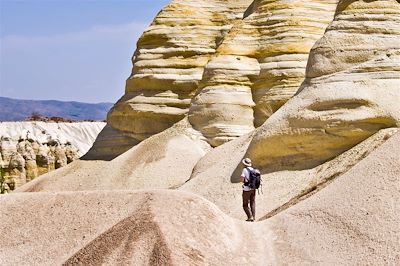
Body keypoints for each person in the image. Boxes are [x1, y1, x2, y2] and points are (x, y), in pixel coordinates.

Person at [240, 157, 256, 222]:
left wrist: (243, 181)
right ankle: (253, 217)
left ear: (245, 164)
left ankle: (250, 217)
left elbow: (242, 178)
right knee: (252, 202)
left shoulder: (244, 170)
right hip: (253, 188)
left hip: (246, 189)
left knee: (245, 204)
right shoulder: (253, 169)